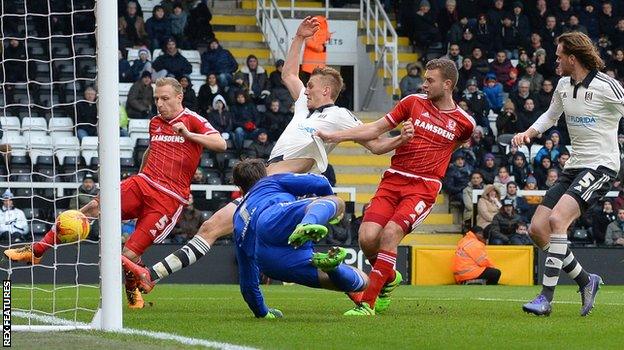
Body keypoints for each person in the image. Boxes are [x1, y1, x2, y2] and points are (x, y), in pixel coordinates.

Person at [119, 17, 413, 297]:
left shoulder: (339, 116)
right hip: (263, 186)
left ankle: (370, 282)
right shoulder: (303, 105)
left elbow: (374, 144)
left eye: (310, 85)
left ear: (326, 90)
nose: (304, 88)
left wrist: (400, 138)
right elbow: (288, 73)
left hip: (286, 190)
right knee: (211, 228)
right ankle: (150, 275)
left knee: (291, 261)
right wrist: (299, 37)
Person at [4, 77, 227, 310]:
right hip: (143, 183)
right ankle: (37, 251)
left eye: (165, 98)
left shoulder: (192, 120)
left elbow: (221, 144)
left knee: (128, 254)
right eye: (157, 99)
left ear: (179, 97)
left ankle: (132, 290)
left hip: (168, 199)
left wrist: (189, 136)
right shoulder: (155, 122)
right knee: (90, 208)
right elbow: (151, 152)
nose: (159, 104)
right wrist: (138, 180)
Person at [317, 58, 476, 316]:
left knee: (390, 234)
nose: (424, 84)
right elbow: (376, 129)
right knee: (367, 238)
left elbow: (454, 145)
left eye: (429, 80)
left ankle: (367, 303)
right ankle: (389, 278)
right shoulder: (412, 103)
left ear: (447, 85)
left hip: (422, 188)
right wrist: (336, 136)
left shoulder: (464, 123)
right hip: (393, 180)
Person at [513, 32, 624, 316]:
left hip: (601, 165)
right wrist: (529, 132)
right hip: (574, 164)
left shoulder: (606, 86)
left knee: (557, 219)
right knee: (538, 229)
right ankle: (587, 281)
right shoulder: (563, 85)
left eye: (560, 55)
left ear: (572, 58)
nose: (556, 59)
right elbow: (551, 116)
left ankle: (545, 298)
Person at [231, 159, 369, 318]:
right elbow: (320, 181)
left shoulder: (237, 219)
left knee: (359, 281)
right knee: (336, 202)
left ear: (240, 188)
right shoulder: (270, 181)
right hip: (273, 219)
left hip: (270, 261)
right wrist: (327, 205)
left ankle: (332, 268)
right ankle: (308, 223)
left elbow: (248, 283)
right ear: (264, 173)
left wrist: (262, 313)